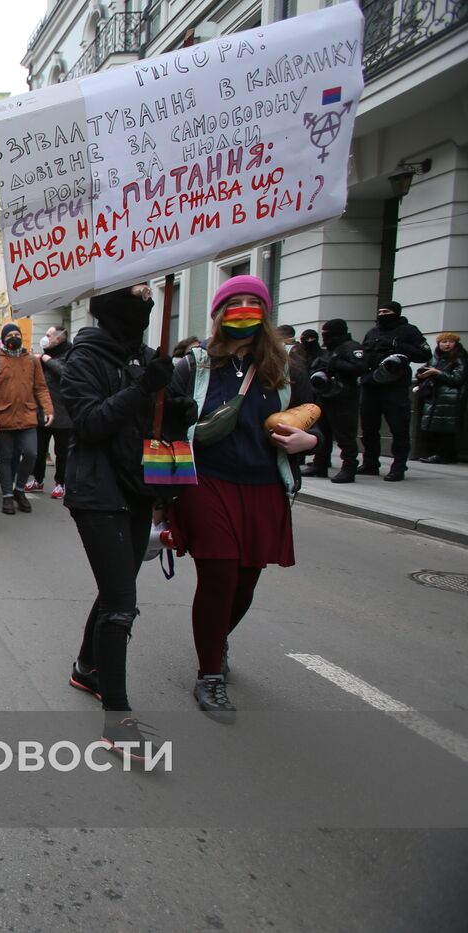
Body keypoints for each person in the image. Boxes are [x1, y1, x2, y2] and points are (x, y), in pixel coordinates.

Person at [167, 275, 319, 721]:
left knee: (245, 583)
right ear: (219, 312)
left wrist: (307, 444)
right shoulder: (193, 367)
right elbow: (168, 431)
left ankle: (216, 637)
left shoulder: (288, 371)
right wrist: (161, 494)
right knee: (219, 574)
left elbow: (314, 428)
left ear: (266, 313)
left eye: (254, 302)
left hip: (264, 487)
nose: (245, 309)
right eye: (236, 302)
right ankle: (209, 674)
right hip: (206, 483)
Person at [60, 283, 169, 757]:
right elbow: (91, 423)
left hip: (141, 485)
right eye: (137, 294)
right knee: (123, 603)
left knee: (114, 587)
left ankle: (87, 666)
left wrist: (173, 399)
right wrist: (140, 389)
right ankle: (117, 718)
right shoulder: (82, 358)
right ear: (110, 306)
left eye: (150, 294)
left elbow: (156, 422)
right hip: (98, 491)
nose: (146, 301)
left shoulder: (147, 355)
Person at [358, 300, 432, 481]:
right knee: (369, 428)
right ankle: (370, 463)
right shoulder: (373, 332)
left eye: (387, 311)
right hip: (371, 385)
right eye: (380, 311)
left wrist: (399, 346)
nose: (382, 314)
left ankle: (398, 466)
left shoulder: (408, 330)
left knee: (398, 428)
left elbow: (424, 354)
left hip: (395, 387)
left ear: (396, 313)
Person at [0, 322, 52, 515]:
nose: (14, 337)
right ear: (3, 340)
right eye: (10, 334)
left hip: (27, 417)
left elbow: (41, 387)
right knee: (5, 458)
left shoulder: (32, 360)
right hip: (3, 419)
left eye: (17, 333)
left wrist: (48, 409)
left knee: (31, 454)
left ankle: (19, 490)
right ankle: (7, 496)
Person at [305, 318, 366, 482]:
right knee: (322, 431)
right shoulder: (329, 349)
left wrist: (336, 363)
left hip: (344, 397)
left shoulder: (351, 347)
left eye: (327, 332)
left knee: (345, 434)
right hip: (325, 395)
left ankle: (349, 467)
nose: (324, 336)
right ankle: (320, 464)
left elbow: (359, 368)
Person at [31, 325, 73, 499]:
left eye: (48, 335)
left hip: (63, 414)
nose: (45, 338)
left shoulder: (69, 354)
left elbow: (65, 373)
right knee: (38, 450)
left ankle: (60, 484)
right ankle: (37, 480)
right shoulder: (40, 358)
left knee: (61, 452)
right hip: (42, 413)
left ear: (58, 339)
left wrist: (46, 359)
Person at [416, 332, 464, 464]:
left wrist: (437, 372)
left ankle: (444, 455)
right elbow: (425, 370)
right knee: (435, 428)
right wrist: (422, 374)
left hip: (450, 398)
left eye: (450, 341)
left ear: (456, 343)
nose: (447, 344)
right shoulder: (435, 357)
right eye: (444, 342)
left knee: (445, 430)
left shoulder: (460, 358)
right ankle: (440, 454)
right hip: (434, 397)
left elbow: (457, 378)